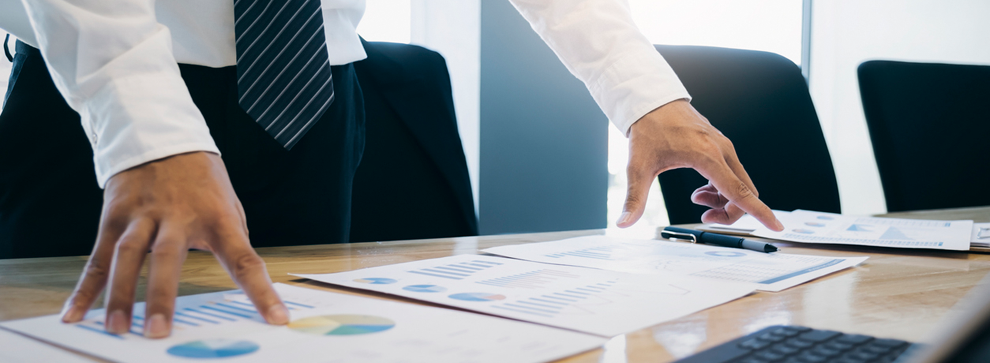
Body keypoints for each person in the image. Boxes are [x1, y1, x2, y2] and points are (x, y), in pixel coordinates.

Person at [0, 0, 784, 339]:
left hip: (312, 95)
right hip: (104, 95)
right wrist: (142, 129)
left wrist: (644, 96)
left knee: (281, 340)